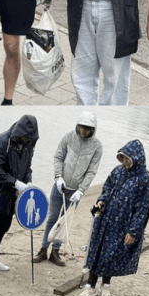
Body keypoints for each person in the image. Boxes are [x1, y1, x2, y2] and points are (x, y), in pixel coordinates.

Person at [80, 140, 149, 296]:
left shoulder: (145, 179)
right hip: (105, 219)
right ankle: (90, 286)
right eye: (123, 158)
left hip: (123, 225)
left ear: (137, 158)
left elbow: (143, 208)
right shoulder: (117, 172)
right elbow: (107, 188)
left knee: (111, 254)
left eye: (128, 158)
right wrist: (102, 200)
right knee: (97, 251)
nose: (125, 161)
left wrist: (133, 231)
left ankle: (105, 285)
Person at [35, 112, 102, 265]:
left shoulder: (97, 146)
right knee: (52, 217)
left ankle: (56, 252)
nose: (82, 132)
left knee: (64, 221)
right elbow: (58, 157)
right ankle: (43, 249)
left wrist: (81, 190)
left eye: (86, 129)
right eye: (81, 128)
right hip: (60, 187)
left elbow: (92, 171)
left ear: (93, 129)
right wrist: (58, 177)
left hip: (75, 191)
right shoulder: (68, 137)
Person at [0, 114, 39, 277]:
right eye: (25, 138)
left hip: (11, 195)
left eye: (29, 139)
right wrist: (15, 182)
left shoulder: (28, 144)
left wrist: (28, 181)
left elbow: (27, 167)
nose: (26, 141)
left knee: (4, 226)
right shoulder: (2, 141)